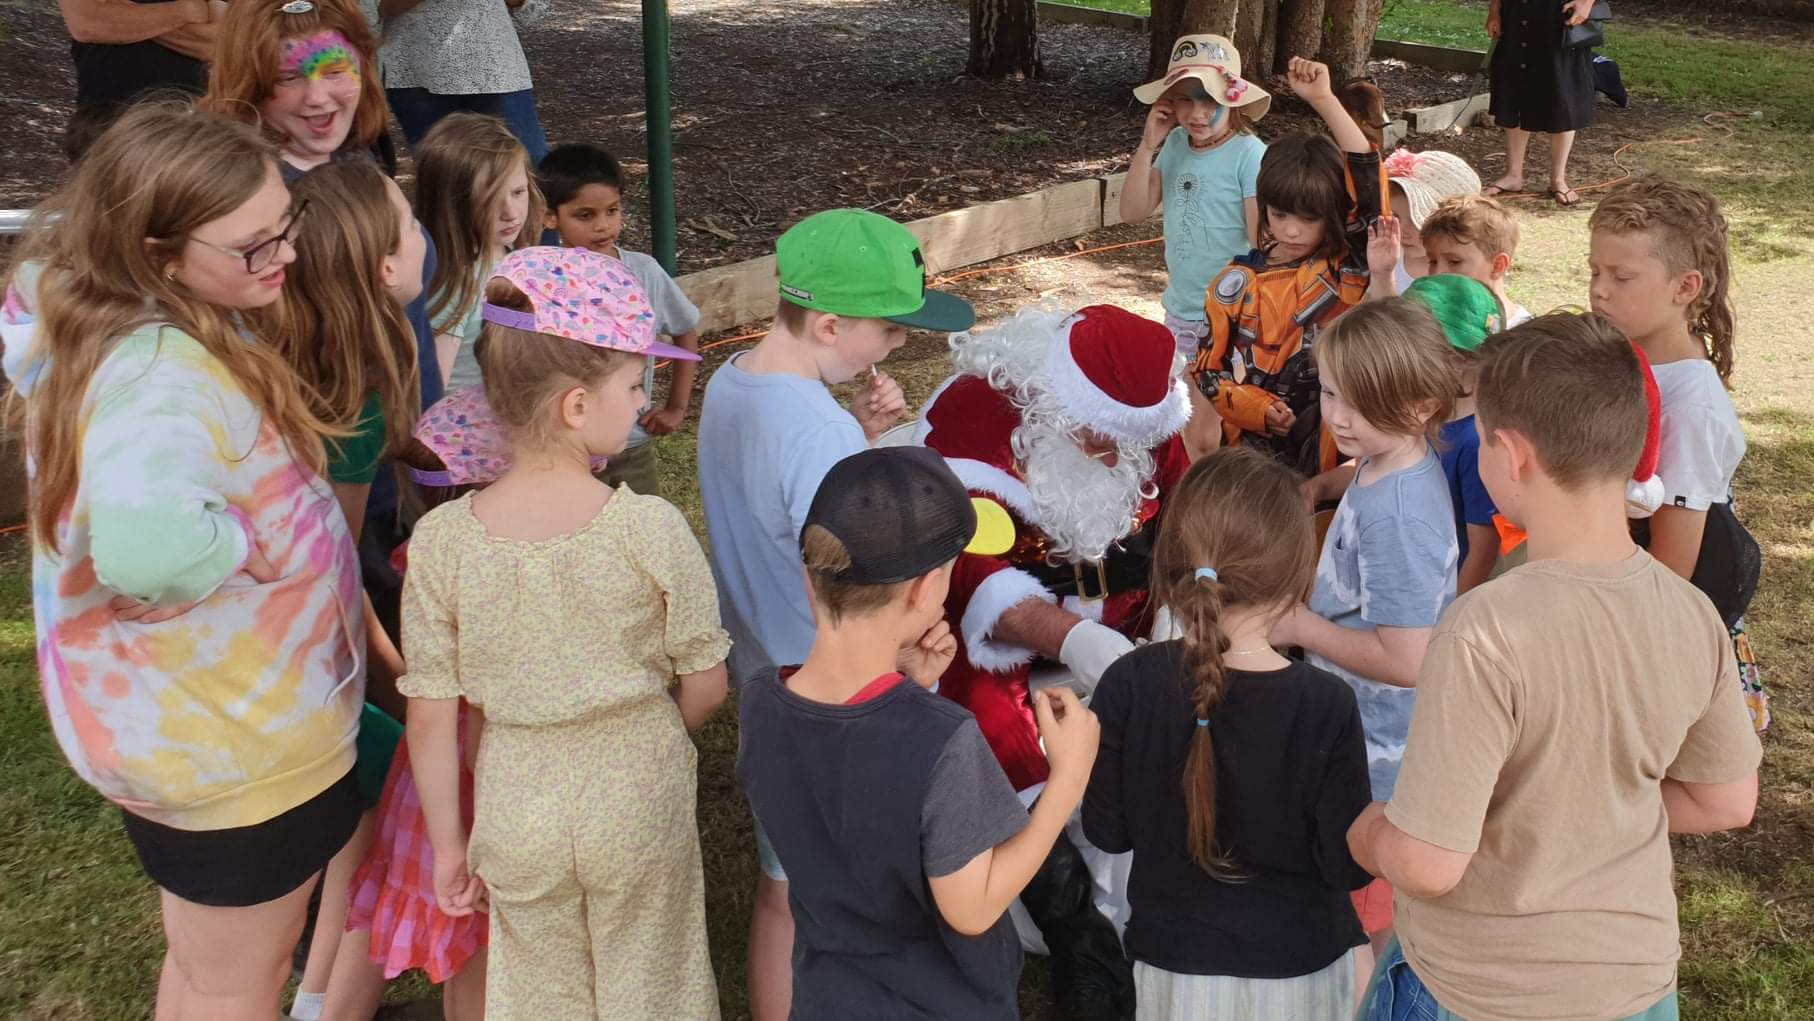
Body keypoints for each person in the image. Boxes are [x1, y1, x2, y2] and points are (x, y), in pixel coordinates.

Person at [9, 102, 362, 1019]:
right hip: (236, 751)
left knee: (211, 967)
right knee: (236, 980)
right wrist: (251, 541)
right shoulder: (155, 375)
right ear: (156, 254)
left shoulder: (129, 328)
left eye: (285, 221)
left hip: (206, 731)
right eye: (253, 246)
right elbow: (151, 552)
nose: (285, 253)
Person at [1349, 313, 1763, 1021]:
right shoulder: (1692, 612)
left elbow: (1426, 863)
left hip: (1479, 990)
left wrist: (1367, 829)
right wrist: (1583, 807)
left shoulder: (1482, 629)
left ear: (1512, 454)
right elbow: (1726, 801)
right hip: (1637, 988)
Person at [401, 247, 725, 1017]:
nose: (642, 398)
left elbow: (431, 715)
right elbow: (708, 683)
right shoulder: (649, 527)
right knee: (656, 978)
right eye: (634, 383)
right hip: (638, 796)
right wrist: (644, 734)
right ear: (577, 405)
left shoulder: (442, 542)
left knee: (537, 990)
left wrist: (448, 846)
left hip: (517, 806)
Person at [697, 207, 959, 1021]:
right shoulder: (818, 434)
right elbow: (860, 567)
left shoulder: (732, 380)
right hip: (833, 690)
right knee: (814, 895)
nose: (896, 346)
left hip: (762, 665)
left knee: (784, 879)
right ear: (829, 324)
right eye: (888, 329)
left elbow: (790, 514)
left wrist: (858, 433)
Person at [737, 445, 1101, 1019]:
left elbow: (850, 777)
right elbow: (973, 908)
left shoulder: (760, 701)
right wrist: (1068, 780)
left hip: (828, 997)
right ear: (925, 591)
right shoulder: (943, 740)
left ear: (812, 581)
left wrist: (915, 687)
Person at [918, 303, 1189, 1016]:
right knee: (984, 724)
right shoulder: (975, 416)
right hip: (1002, 643)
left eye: (1131, 440)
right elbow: (968, 572)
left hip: (1130, 622)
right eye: (1100, 433)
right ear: (1057, 395)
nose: (1115, 454)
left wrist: (1173, 613)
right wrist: (1075, 639)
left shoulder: (1146, 422)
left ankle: (1142, 888)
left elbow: (1186, 520)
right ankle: (1077, 936)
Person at [1082, 447, 1373, 1020]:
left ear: (1172, 562)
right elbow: (1347, 867)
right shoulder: (1325, 703)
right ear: (1296, 571)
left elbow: (1107, 833)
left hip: (1172, 970)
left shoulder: (1128, 682)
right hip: (1302, 969)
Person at [260, 159, 423, 1021]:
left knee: (364, 824)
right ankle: (332, 1002)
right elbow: (331, 568)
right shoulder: (354, 394)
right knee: (408, 798)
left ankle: (316, 998)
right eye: (410, 222)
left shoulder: (305, 360)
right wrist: (396, 679)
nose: (423, 231)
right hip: (298, 670)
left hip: (266, 653)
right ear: (385, 268)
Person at [1268, 298, 1461, 959]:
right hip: (1358, 732)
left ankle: (1373, 987)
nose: (1339, 416)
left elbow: (1407, 660)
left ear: (1420, 407)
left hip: (1381, 761)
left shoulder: (1399, 518)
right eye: (1330, 393)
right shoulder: (1385, 460)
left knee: (1368, 910)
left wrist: (1301, 626)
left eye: (1362, 403)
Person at [320, 386, 510, 1021]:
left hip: (421, 784)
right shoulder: (491, 571)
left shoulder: (421, 557)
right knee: (482, 949)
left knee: (391, 918)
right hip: (479, 788)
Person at [1589, 177, 1769, 731]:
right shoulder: (1626, 354)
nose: (1599, 291)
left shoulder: (1691, 407)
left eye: (1621, 277)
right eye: (1594, 272)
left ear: (1685, 287)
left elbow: (1673, 564)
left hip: (1657, 614)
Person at [1190, 57, 1395, 475]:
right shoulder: (1235, 283)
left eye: (1309, 218)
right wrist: (1256, 408)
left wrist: (1323, 99)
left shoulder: (1348, 267)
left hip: (1334, 449)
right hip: (1249, 455)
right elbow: (1206, 372)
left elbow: (1368, 182)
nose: (1292, 230)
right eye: (1279, 214)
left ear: (1333, 213)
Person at [1119, 33, 1269, 455]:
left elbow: (1260, 242)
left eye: (1210, 99)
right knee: (1182, 417)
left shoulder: (1249, 154)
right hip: (1182, 309)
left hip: (1228, 314)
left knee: (1207, 426)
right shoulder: (1175, 145)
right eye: (1185, 99)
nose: (1197, 113)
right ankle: (1192, 483)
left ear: (1233, 100)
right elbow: (1132, 210)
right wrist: (1148, 145)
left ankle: (1209, 490)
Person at [538, 143, 702, 497]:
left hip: (631, 444)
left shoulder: (645, 272)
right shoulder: (541, 279)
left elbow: (685, 331)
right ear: (550, 217)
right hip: (566, 446)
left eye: (612, 210)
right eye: (585, 215)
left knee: (643, 523)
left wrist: (676, 407)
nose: (603, 225)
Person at [416, 112, 543, 390]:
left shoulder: (514, 253)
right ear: (451, 205)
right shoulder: (455, 285)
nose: (510, 213)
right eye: (489, 199)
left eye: (518, 192)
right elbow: (432, 391)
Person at [202, 0, 391, 177]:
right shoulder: (235, 186)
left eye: (335, 72)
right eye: (289, 78)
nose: (317, 98)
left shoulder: (360, 149)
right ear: (248, 84)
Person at [1406, 274, 1506, 594]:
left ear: (1459, 359)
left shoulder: (1475, 443)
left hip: (1439, 594)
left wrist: (1453, 614)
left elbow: (1483, 551)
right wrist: (1321, 486)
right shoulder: (1420, 410)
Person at [362, 0, 550, 163]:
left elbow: (533, 9)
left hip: (496, 71)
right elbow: (369, 13)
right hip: (415, 73)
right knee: (443, 176)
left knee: (527, 167)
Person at [57, 0, 224, 159]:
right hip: (106, 118)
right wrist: (186, 10)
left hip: (180, 122)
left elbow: (215, 45)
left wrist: (121, 13)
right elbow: (88, 24)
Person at [1484, 0, 1602, 205]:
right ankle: (1513, 175)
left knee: (1563, 93)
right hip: (1516, 12)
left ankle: (1558, 180)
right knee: (1516, 89)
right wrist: (1495, 10)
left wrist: (1586, 3)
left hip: (1562, 15)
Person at [1420, 193, 1532, 325]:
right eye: (1433, 261)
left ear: (1497, 266)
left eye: (1454, 262)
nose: (1437, 273)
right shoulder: (1430, 321)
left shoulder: (1523, 331)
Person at [1381, 148, 1481, 293]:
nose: (1402, 231)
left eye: (1417, 218)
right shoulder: (1389, 261)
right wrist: (1381, 275)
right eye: (1395, 217)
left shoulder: (1466, 275)